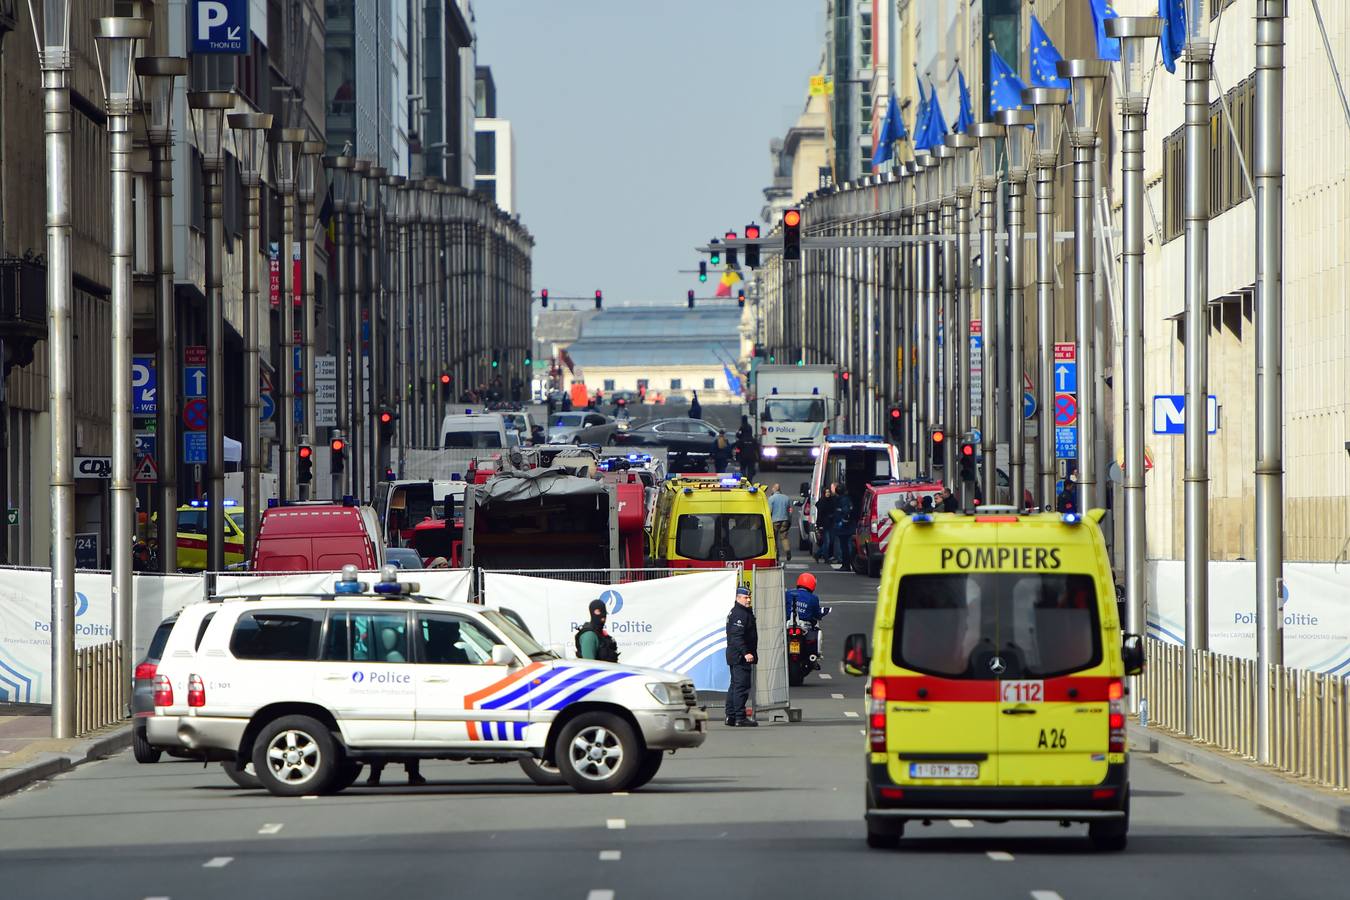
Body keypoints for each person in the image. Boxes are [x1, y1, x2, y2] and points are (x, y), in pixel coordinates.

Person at [724, 585, 757, 727]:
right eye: (745, 597)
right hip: (739, 656)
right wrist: (746, 653)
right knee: (741, 687)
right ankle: (739, 717)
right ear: (738, 598)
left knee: (735, 686)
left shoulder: (740, 611)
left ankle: (731, 716)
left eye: (749, 597)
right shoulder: (740, 613)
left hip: (735, 655)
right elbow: (737, 637)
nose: (748, 600)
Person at [832, 482, 854, 570]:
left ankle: (846, 564)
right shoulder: (846, 499)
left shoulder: (842, 500)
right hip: (845, 526)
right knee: (845, 546)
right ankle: (846, 564)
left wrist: (843, 521)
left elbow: (845, 512)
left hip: (844, 527)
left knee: (844, 547)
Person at [768, 483, 792, 562]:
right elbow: (790, 511)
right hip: (785, 520)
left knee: (774, 539)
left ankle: (776, 555)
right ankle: (787, 550)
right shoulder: (787, 498)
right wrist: (789, 520)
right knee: (784, 537)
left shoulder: (771, 498)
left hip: (775, 521)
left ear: (774, 489)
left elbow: (769, 511)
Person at [814, 485, 838, 563]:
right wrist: (819, 525)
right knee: (827, 541)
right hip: (824, 524)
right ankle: (826, 558)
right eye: (826, 492)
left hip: (831, 524)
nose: (827, 494)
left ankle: (818, 554)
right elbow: (820, 515)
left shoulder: (832, 501)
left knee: (831, 541)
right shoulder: (821, 502)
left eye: (828, 492)